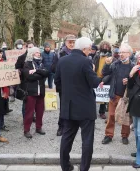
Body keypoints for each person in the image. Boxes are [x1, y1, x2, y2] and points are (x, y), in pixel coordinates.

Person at [55, 37, 101, 171]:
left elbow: (57, 81)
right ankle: (84, 168)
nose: (90, 51)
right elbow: (94, 83)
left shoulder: (62, 60)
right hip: (85, 107)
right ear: (84, 49)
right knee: (87, 140)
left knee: (66, 138)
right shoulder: (86, 62)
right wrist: (95, 72)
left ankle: (65, 166)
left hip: (68, 106)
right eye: (89, 49)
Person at [101, 44, 134, 145]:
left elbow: (137, 81)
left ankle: (125, 136)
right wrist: (106, 64)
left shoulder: (133, 66)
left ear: (129, 53)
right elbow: (105, 73)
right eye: (120, 52)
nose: (120, 54)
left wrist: (129, 80)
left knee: (125, 117)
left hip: (126, 97)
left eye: (123, 52)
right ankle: (108, 135)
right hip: (114, 94)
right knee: (111, 116)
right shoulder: (115, 64)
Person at [52, 34, 77, 136]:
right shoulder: (59, 53)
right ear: (65, 42)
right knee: (64, 106)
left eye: (73, 42)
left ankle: (72, 126)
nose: (71, 44)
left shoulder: (78, 53)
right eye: (69, 42)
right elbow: (53, 68)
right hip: (64, 85)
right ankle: (61, 126)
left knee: (75, 106)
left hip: (76, 85)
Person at [23, 47, 49, 138]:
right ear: (32, 54)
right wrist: (41, 74)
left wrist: (37, 71)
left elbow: (47, 73)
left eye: (39, 53)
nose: (39, 54)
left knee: (40, 111)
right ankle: (26, 130)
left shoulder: (41, 63)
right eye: (36, 52)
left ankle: (39, 127)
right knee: (29, 112)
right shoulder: (27, 64)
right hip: (31, 92)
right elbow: (29, 77)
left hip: (41, 92)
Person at [15, 40, 35, 119]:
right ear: (26, 48)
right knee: (26, 101)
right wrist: (22, 71)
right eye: (29, 47)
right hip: (25, 83)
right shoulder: (21, 57)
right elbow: (17, 68)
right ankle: (25, 118)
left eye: (32, 47)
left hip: (35, 83)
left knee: (34, 101)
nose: (31, 49)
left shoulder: (38, 57)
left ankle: (32, 116)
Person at [92, 41, 112, 120]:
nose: (105, 47)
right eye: (103, 45)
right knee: (94, 94)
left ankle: (102, 112)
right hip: (96, 76)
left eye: (107, 46)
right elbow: (93, 64)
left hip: (105, 77)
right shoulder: (97, 55)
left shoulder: (110, 56)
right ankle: (92, 110)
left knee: (103, 96)